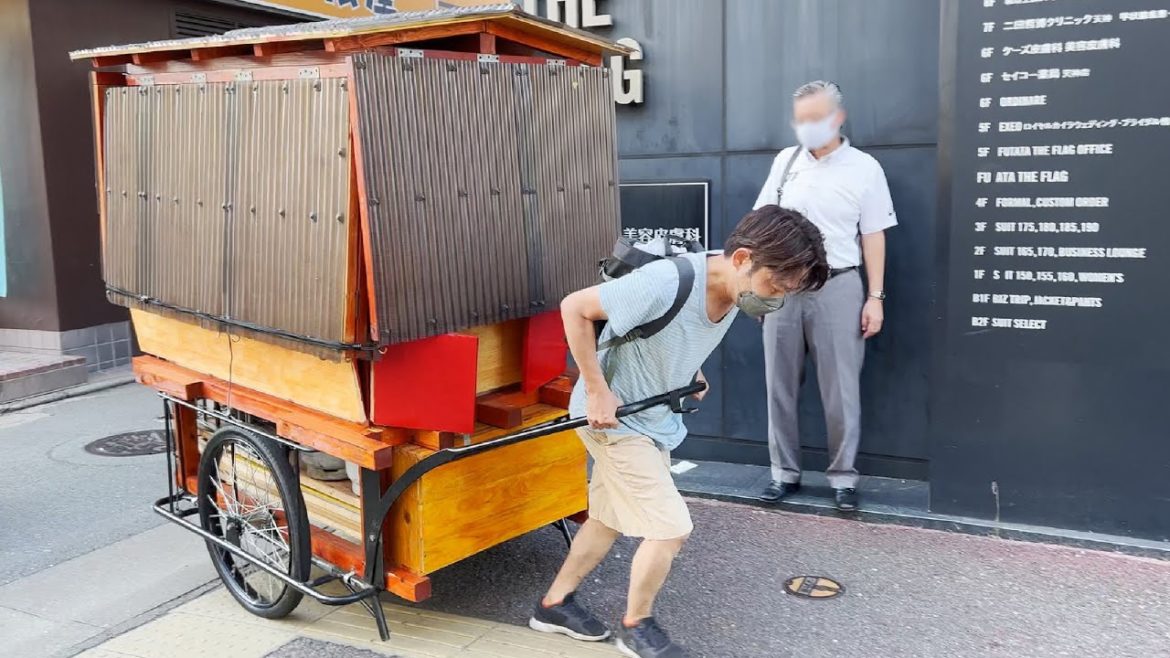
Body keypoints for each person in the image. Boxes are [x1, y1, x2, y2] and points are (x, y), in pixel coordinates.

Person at [528, 206, 829, 657]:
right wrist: (596, 391)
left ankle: (553, 605)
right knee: (671, 528)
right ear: (744, 258)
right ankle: (638, 624)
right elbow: (575, 308)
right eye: (775, 286)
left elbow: (671, 335)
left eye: (786, 292)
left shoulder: (733, 289)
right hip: (616, 419)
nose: (776, 299)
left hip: (653, 418)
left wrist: (691, 370)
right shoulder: (668, 281)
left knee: (608, 519)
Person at [752, 80, 898, 512]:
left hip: (839, 284)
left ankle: (843, 478)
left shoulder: (864, 167)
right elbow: (763, 223)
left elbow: (873, 235)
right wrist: (759, 289)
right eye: (800, 119)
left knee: (841, 390)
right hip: (782, 287)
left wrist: (876, 297)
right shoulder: (785, 162)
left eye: (815, 118)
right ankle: (783, 473)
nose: (806, 127)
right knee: (778, 386)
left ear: (838, 118)